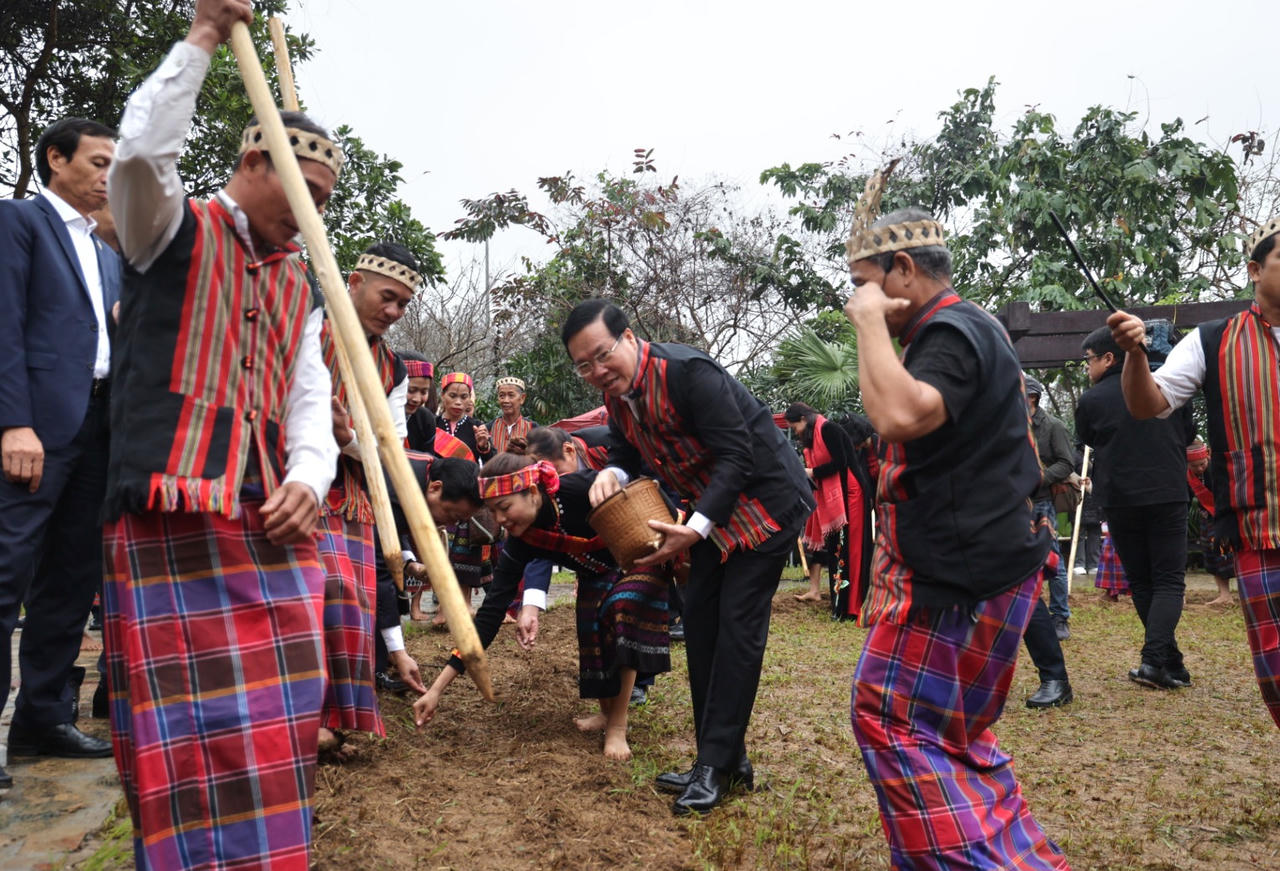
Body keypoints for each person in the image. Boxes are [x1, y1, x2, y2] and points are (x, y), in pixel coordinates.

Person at [100, 1, 341, 866]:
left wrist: (310, 477)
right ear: (251, 163)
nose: (313, 217)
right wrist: (202, 35)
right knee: (183, 731)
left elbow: (308, 401)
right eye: (305, 196)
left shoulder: (302, 287)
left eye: (325, 204)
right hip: (169, 516)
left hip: (262, 520)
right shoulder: (166, 225)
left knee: (280, 719)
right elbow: (138, 155)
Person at [841, 182, 1069, 869]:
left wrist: (869, 324)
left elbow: (900, 416)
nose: (858, 298)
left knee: (890, 715)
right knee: (955, 733)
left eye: (865, 283)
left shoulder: (950, 328)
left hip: (960, 579)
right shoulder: (968, 327)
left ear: (904, 271)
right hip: (983, 568)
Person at [562, 298, 813, 816]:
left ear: (628, 339)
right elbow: (628, 450)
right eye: (583, 365)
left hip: (764, 506)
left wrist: (694, 530)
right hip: (711, 518)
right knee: (700, 624)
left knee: (737, 630)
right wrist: (613, 472)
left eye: (602, 356)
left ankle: (714, 767)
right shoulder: (619, 398)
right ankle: (723, 759)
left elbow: (738, 454)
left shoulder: (688, 373)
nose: (596, 371)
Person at [1107, 216, 1280, 723]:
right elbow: (1148, 404)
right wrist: (1134, 355)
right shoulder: (1212, 339)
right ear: (1254, 269)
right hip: (1259, 528)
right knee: (1276, 670)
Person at [0, 116, 122, 781]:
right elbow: (5, 326)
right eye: (99, 162)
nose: (109, 175)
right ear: (56, 158)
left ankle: (42, 717)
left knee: (72, 581)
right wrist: (12, 422)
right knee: (5, 573)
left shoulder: (105, 253)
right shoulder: (19, 223)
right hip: (35, 431)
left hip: (96, 433)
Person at [415, 454, 671, 762]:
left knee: (620, 609)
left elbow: (643, 481)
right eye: (493, 512)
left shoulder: (580, 490)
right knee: (592, 629)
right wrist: (436, 690)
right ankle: (606, 713)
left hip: (641, 557)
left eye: (505, 508)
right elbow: (488, 617)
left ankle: (617, 726)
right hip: (596, 572)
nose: (500, 521)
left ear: (533, 493)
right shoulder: (523, 542)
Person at [316, 241, 420, 753]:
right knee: (306, 599)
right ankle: (288, 717)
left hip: (352, 493)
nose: (395, 312)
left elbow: (391, 448)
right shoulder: (305, 324)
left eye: (403, 304)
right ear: (354, 282)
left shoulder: (394, 369)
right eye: (387, 297)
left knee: (347, 604)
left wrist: (349, 439)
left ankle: (331, 724)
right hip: (287, 480)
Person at [1076, 325, 1196, 690]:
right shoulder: (1169, 388)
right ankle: (1157, 661)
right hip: (1167, 491)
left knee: (1143, 581)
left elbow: (1088, 439)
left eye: (1089, 360)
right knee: (1169, 581)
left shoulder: (1092, 399)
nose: (1087, 368)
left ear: (1110, 358)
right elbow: (1188, 434)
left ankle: (1166, 662)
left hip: (1120, 496)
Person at [782, 402, 872, 621]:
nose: (796, 431)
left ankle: (851, 607)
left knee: (850, 550)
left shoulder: (829, 429)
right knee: (836, 550)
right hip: (837, 496)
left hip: (850, 494)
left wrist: (812, 472)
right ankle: (840, 606)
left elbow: (841, 463)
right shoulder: (815, 436)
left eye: (795, 426)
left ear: (804, 418)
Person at [1024, 375, 1076, 640]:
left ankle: (1060, 616)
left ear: (1031, 397)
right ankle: (1021, 614)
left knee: (1053, 560)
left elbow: (1067, 463)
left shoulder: (1053, 426)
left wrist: (1038, 478)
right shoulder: (1010, 426)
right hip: (1015, 503)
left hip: (1043, 501)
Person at [1186, 440, 1235, 607]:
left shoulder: (1219, 468)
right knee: (1211, 553)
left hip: (1226, 516)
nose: (1199, 468)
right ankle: (1224, 594)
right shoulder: (1188, 476)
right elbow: (1186, 499)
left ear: (1207, 457)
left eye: (1202, 464)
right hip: (1207, 518)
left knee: (1228, 554)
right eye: (1194, 466)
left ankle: (1244, 592)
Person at [490, 376, 536, 454]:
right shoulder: (489, 427)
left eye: (511, 395)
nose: (506, 400)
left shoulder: (533, 428)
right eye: (502, 396)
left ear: (522, 398)